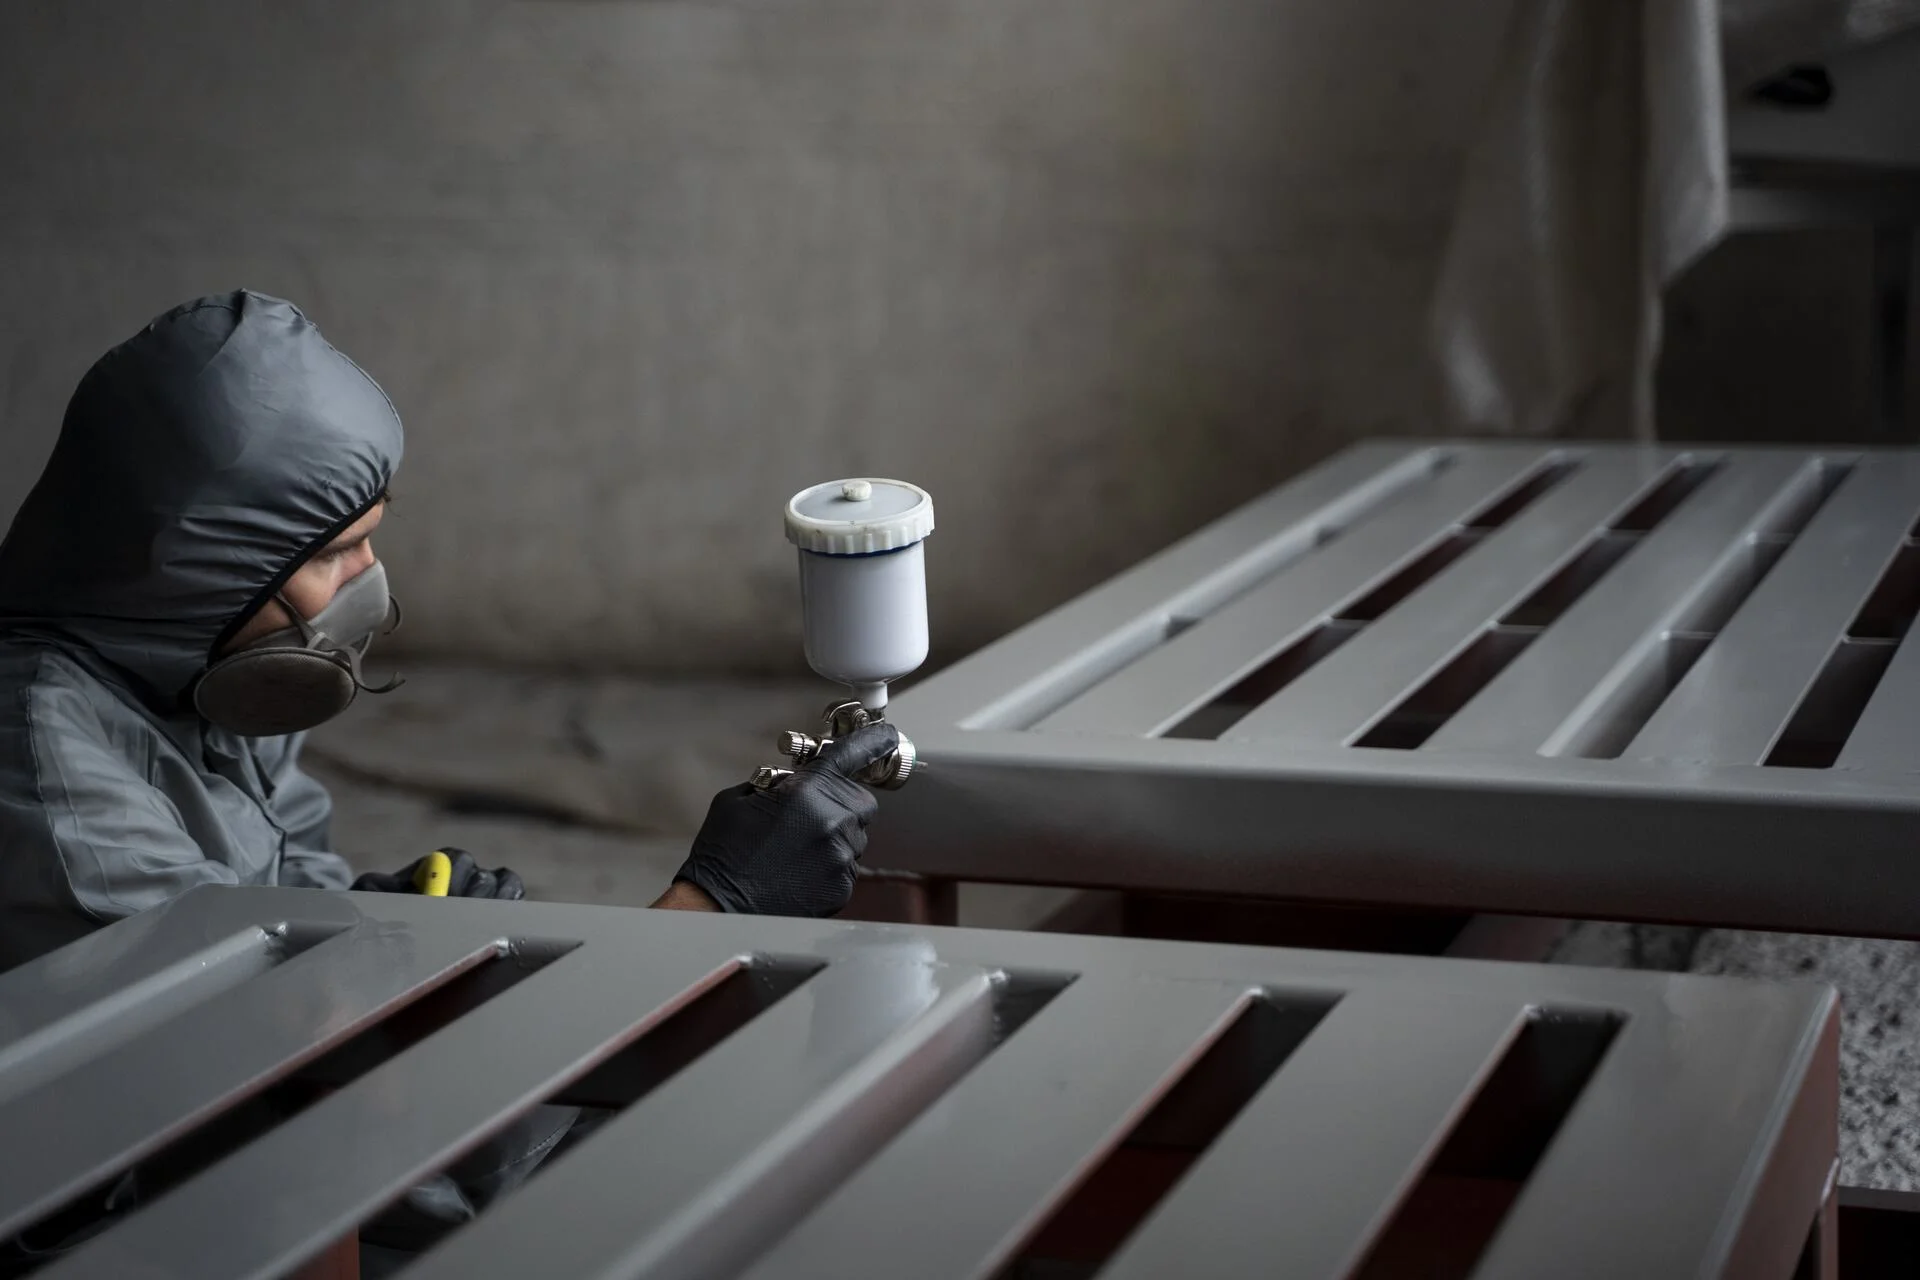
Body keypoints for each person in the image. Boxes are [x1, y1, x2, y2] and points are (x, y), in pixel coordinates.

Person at [0, 290, 902, 1270]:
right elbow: (273, 1088)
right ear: (194, 570)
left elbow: (283, 911)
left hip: (276, 1134)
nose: (371, 577)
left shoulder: (200, 672)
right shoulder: (53, 782)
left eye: (370, 535)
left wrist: (378, 934)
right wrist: (712, 902)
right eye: (337, 551)